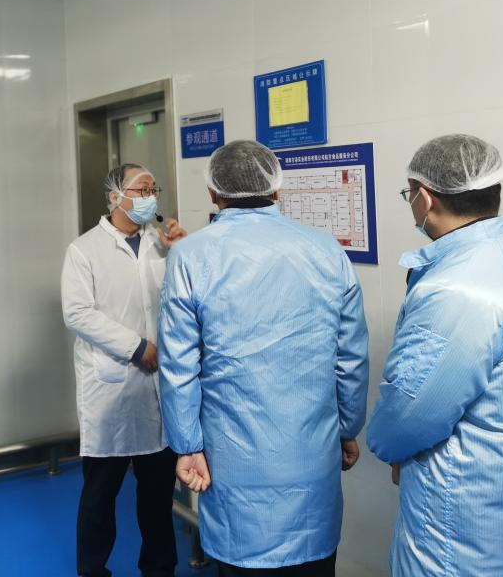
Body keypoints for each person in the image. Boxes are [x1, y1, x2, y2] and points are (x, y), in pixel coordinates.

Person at [367, 134, 503, 577]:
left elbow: (410, 414)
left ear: (425, 199)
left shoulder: (458, 287)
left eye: (409, 194)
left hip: (465, 527)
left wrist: (387, 446)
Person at [158, 140, 369, 576]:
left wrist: (188, 446)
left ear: (213, 193)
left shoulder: (189, 256)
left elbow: (179, 368)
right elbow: (350, 356)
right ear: (276, 189)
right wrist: (347, 428)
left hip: (232, 463)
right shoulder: (326, 249)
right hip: (312, 457)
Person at [61, 164, 188, 577]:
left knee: (157, 495)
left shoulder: (160, 243)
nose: (151, 197)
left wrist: (180, 251)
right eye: (141, 190)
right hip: (111, 387)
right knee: (100, 496)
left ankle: (159, 569)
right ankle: (93, 570)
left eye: (153, 189)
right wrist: (135, 347)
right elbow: (78, 313)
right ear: (115, 196)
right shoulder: (84, 250)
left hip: (159, 389)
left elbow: (179, 300)